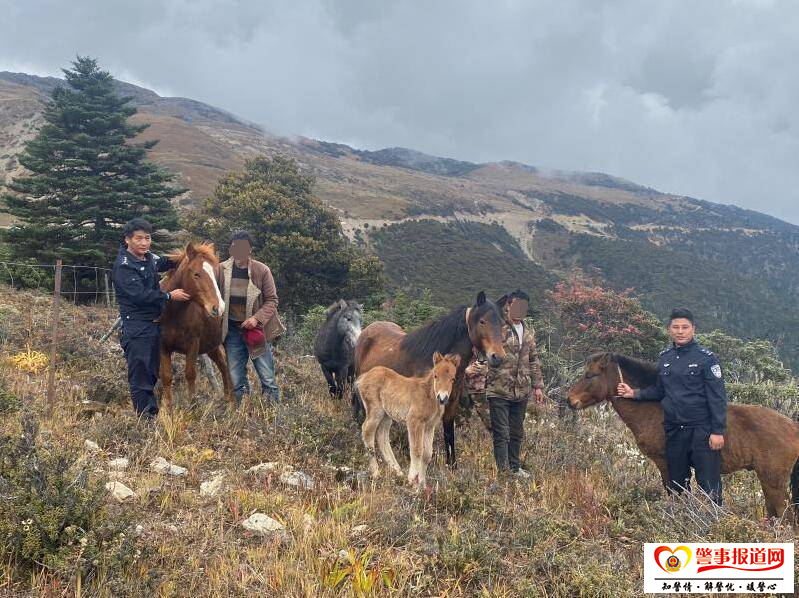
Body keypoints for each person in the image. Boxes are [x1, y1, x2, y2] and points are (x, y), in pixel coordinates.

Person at [617, 308, 727, 505]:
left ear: (693, 329)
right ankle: (682, 521)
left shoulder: (707, 359)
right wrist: (634, 393)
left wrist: (717, 431)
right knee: (677, 483)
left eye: (685, 327)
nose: (680, 331)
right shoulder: (665, 357)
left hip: (701, 429)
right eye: (675, 327)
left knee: (709, 484)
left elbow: (717, 398)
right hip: (674, 430)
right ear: (669, 330)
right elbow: (660, 391)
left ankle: (714, 524)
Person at [112, 218, 189, 419]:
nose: (144, 243)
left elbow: (163, 261)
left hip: (154, 325)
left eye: (147, 238)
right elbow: (139, 296)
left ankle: (149, 414)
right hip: (137, 327)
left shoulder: (149, 258)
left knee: (152, 371)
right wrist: (170, 296)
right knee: (141, 374)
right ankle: (145, 419)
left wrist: (187, 256)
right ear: (128, 240)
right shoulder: (124, 266)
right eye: (139, 238)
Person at [485, 289, 545, 479]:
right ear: (509, 304)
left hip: (521, 389)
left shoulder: (528, 331)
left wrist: (538, 386)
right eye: (516, 304)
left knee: (517, 431)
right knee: (501, 432)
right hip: (499, 388)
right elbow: (485, 349)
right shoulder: (498, 326)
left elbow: (533, 359)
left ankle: (514, 467)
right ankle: (503, 471)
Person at [218, 230, 282, 402]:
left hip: (256, 331)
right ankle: (242, 413)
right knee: (236, 378)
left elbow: (272, 300)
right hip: (232, 331)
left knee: (267, 377)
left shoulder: (262, 270)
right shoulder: (221, 270)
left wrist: (256, 319)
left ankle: (273, 415)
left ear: (250, 250)